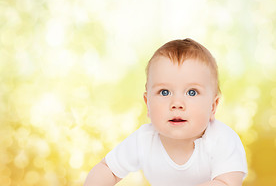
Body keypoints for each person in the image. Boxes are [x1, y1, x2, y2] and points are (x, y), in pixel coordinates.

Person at [84, 38, 248, 186]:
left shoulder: (222, 139)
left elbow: (227, 183)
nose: (176, 104)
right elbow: (107, 169)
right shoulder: (144, 140)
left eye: (191, 92)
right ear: (148, 104)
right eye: (164, 92)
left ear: (213, 107)